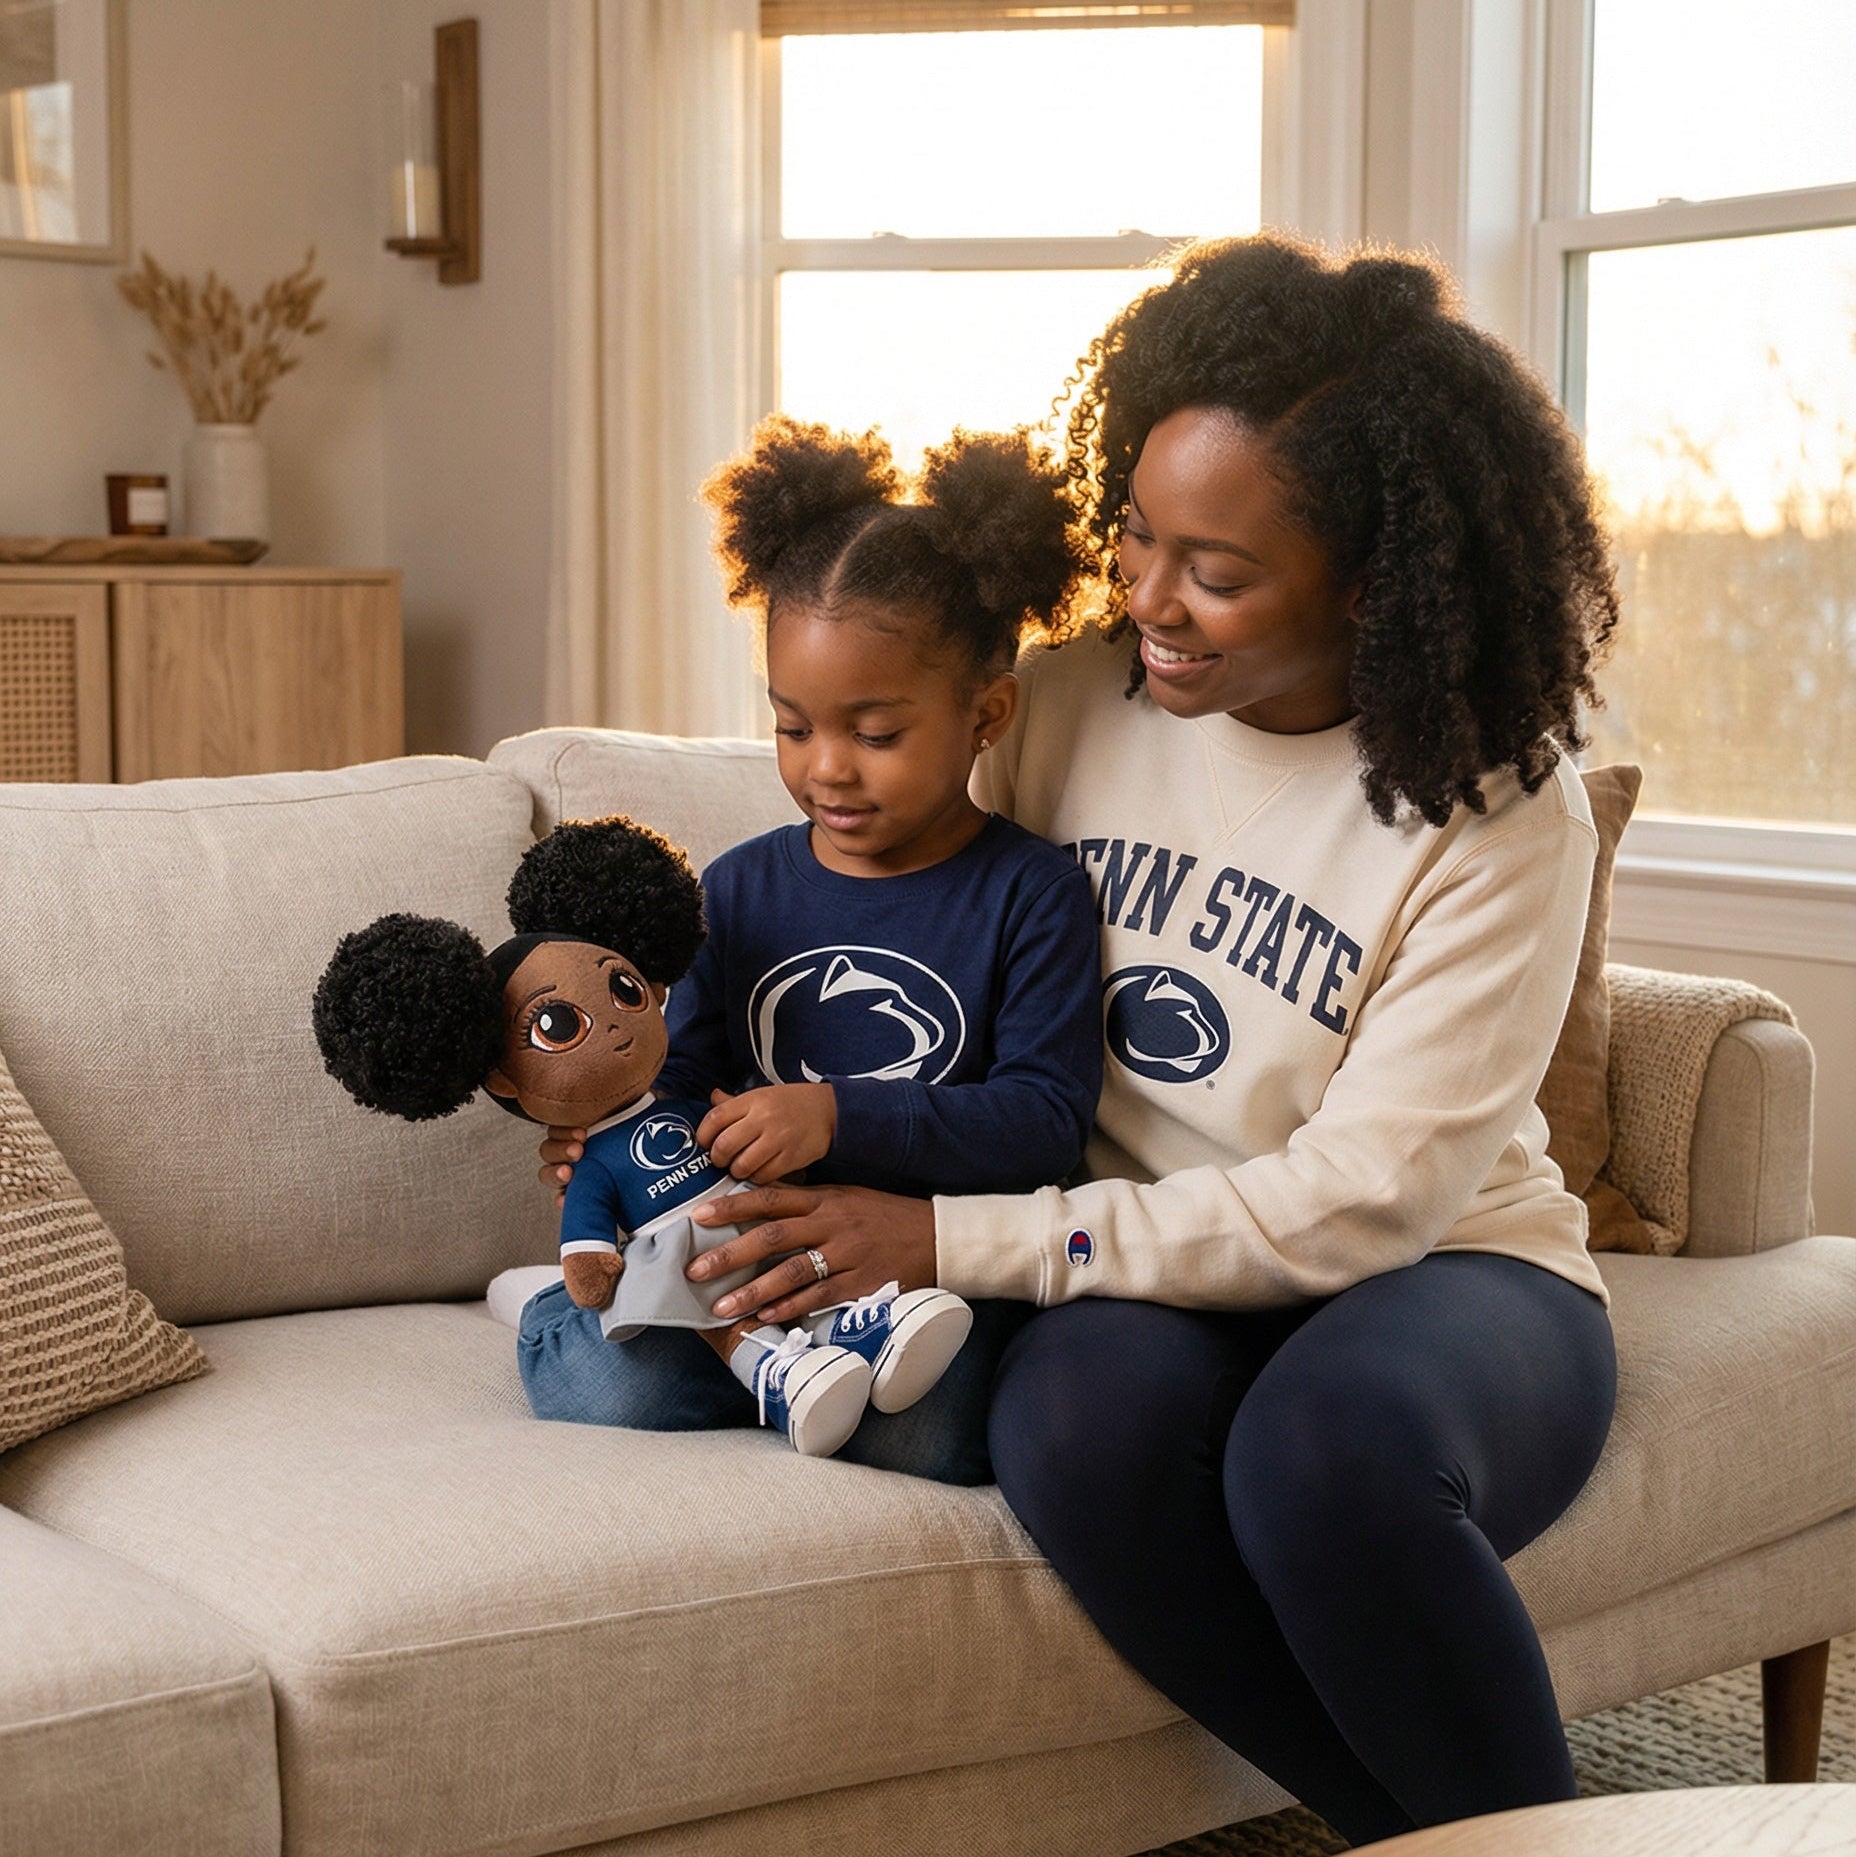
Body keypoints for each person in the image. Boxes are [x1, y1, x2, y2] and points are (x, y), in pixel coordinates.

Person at [560, 234, 1625, 1845]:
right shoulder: (1058, 704)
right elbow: (881, 920)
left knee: (1322, 1458)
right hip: (1133, 1261)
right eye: (1134, 535)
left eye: (1216, 570)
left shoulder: (1500, 808)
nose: (1145, 598)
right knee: (1067, 1427)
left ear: (1371, 575)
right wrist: (661, 1131)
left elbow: (1363, 1203)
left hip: (1446, 1271)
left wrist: (941, 1234)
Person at [518, 417, 1104, 1484]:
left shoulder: (1033, 895)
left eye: (874, 735)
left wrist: (835, 1112)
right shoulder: (738, 888)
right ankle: (640, 1335)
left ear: (986, 713)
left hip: (915, 1271)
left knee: (938, 1431)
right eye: (793, 728)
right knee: (605, 1384)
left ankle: (790, 1376)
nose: (827, 768)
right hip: (740, 1257)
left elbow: (1042, 1122)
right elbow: (680, 1073)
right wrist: (616, 1135)